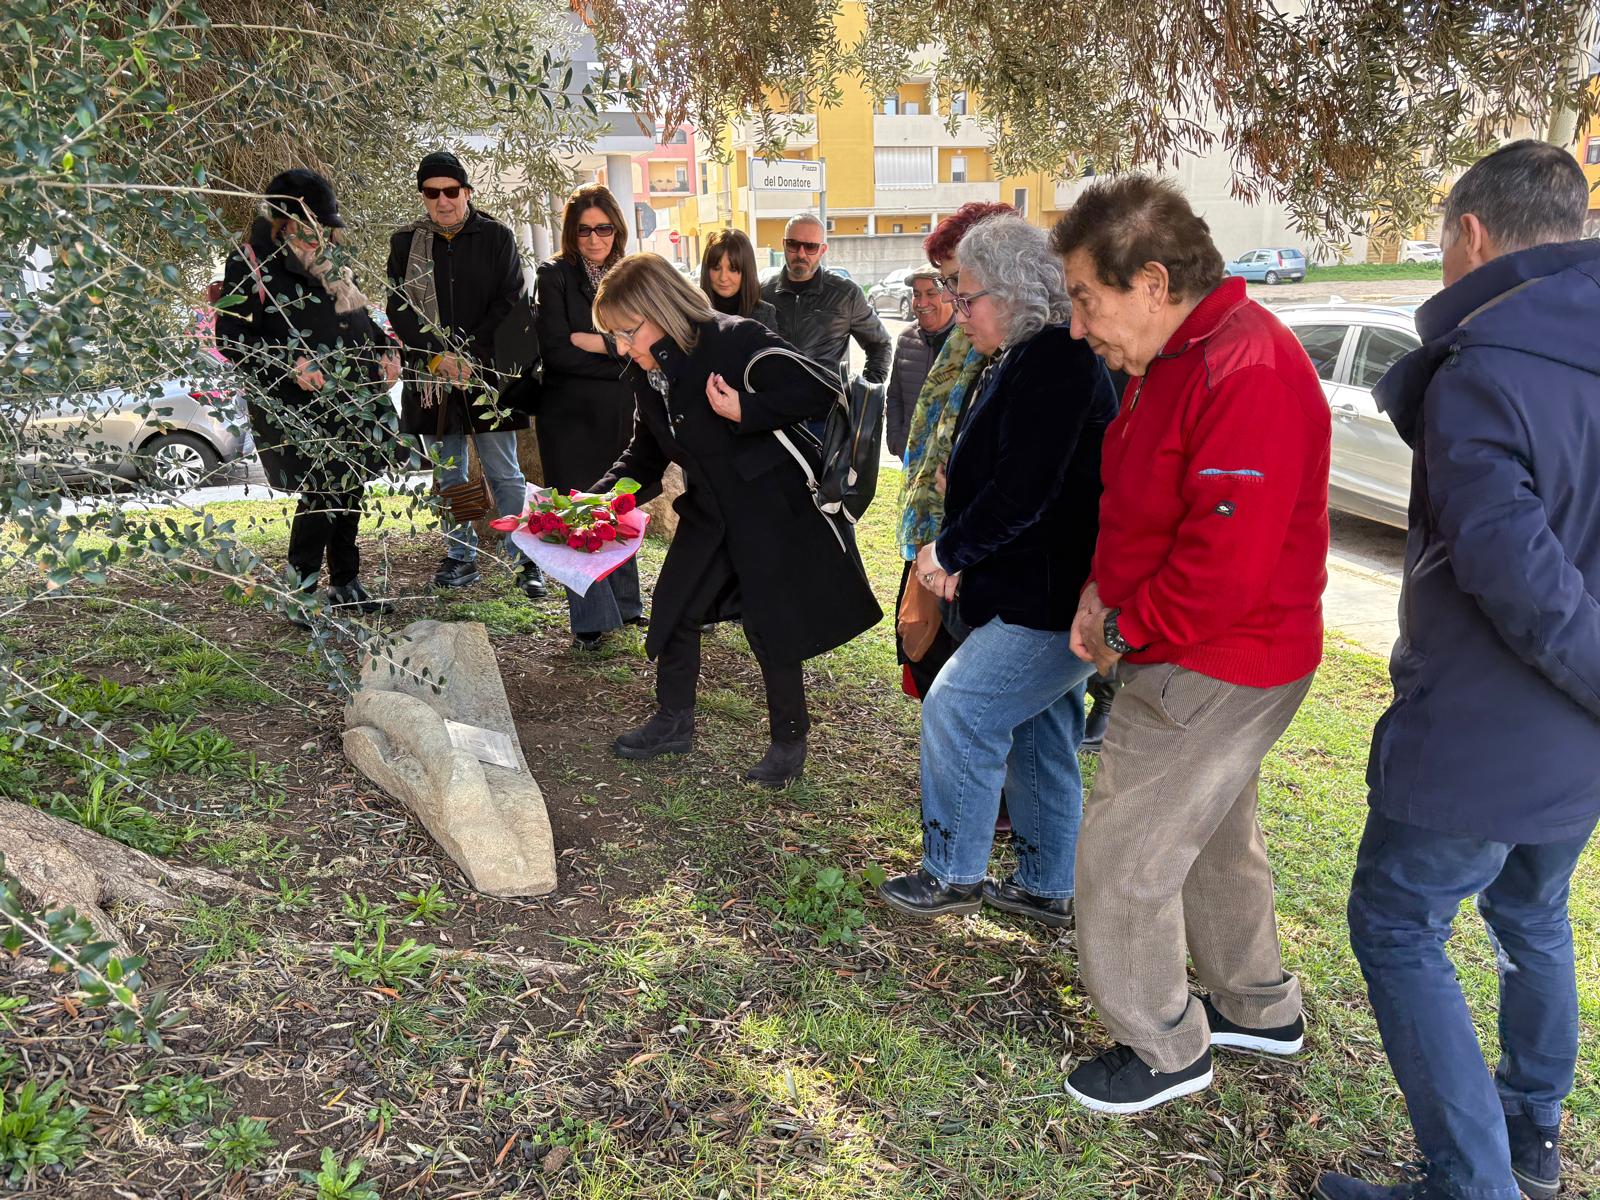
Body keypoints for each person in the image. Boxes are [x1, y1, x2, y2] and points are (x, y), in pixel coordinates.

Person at [1314, 143, 1600, 1200]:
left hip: (1489, 731)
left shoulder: (1482, 365)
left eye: (1439, 246)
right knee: (1530, 911)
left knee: (1394, 920)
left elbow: (1513, 575)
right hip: (1575, 745)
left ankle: (1470, 1182)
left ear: (1469, 237)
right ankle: (1529, 1130)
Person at [1051, 175, 1331, 1114]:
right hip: (1206, 645)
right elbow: (1141, 503)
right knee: (1214, 836)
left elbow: (1224, 565)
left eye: (1087, 298)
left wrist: (1127, 626)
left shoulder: (1241, 370)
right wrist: (1102, 589)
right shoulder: (1173, 355)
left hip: (1217, 656)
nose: (1080, 324)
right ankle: (1259, 1006)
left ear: (1153, 282)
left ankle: (1162, 1047)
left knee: (1124, 854)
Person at [877, 214, 1116, 929]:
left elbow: (1027, 489)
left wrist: (949, 554)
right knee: (1042, 732)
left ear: (1010, 293)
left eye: (965, 292)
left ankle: (951, 870)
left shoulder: (1054, 358)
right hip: (1037, 583)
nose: (957, 306)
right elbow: (1017, 473)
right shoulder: (1027, 353)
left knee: (960, 708)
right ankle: (1045, 883)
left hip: (1046, 593)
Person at [589, 253, 881, 786]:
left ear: (661, 310)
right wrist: (601, 500)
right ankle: (673, 722)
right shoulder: (646, 372)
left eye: (628, 332)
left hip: (770, 511)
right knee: (675, 609)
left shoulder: (733, 338)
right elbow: (646, 454)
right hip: (709, 512)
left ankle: (788, 745)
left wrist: (746, 410)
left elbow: (820, 389)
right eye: (616, 338)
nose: (625, 347)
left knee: (774, 627)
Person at [214, 168, 400, 619]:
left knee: (351, 486)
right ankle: (300, 592)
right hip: (299, 403)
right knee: (319, 493)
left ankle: (346, 582)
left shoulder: (331, 257)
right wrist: (289, 362)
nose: (318, 232)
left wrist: (386, 348)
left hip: (355, 392)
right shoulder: (251, 260)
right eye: (308, 222)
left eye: (323, 223)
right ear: (282, 219)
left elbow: (358, 320)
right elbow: (231, 338)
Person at [386, 150, 545, 599]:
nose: (442, 200)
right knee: (450, 472)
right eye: (432, 193)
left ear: (466, 192)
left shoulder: (496, 237)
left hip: (488, 374)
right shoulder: (406, 244)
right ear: (423, 196)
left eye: (451, 191)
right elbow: (400, 306)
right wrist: (438, 357)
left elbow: (511, 301)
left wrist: (468, 355)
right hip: (432, 378)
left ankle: (524, 560)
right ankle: (461, 557)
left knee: (504, 472)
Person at [895, 201, 1012, 699]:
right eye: (946, 283)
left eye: (955, 281)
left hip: (983, 552)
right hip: (948, 531)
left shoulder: (1034, 351)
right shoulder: (971, 343)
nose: (950, 300)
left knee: (975, 705)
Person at [534, 184, 645, 650]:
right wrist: (617, 349)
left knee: (619, 502)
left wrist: (596, 342)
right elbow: (557, 351)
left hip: (619, 409)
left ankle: (625, 607)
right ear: (572, 233)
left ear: (616, 228)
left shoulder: (630, 275)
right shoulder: (554, 275)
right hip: (567, 413)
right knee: (579, 509)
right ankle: (590, 621)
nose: (595, 238)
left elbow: (642, 343)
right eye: (585, 230)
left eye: (603, 228)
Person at [760, 211, 891, 434]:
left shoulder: (845, 294)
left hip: (824, 419)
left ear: (822, 249)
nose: (801, 253)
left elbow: (880, 345)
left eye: (810, 247)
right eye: (793, 244)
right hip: (772, 418)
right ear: (784, 245)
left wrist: (864, 395)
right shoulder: (762, 292)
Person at [884, 266, 955, 461]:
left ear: (949, 295)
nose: (922, 303)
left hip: (950, 460)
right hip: (911, 454)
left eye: (931, 293)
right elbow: (895, 395)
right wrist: (896, 440)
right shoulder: (906, 338)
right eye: (916, 294)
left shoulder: (966, 340)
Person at [698, 229, 778, 330]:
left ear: (747, 270)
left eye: (733, 269)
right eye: (716, 268)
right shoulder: (691, 311)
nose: (723, 277)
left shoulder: (765, 314)